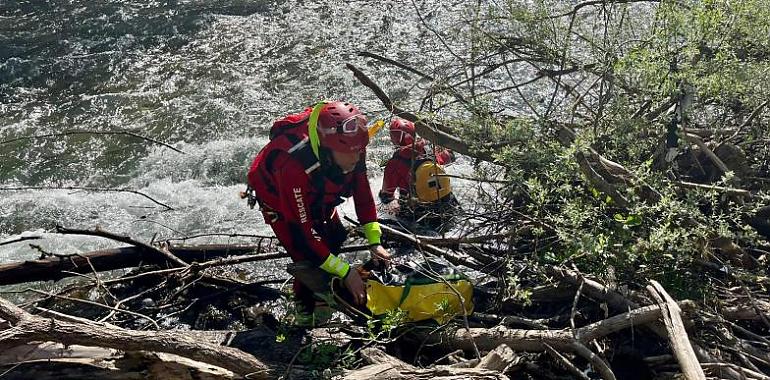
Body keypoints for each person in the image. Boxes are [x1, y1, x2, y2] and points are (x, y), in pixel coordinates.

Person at [246, 100, 391, 319]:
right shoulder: (292, 164)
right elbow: (305, 235)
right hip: (282, 203)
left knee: (334, 238)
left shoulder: (353, 147)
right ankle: (304, 315)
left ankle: (327, 301)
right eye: (350, 153)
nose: (356, 157)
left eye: (359, 151)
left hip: (316, 193)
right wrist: (346, 271)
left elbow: (363, 196)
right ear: (327, 149)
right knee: (307, 259)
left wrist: (375, 242)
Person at [378, 118, 459, 232]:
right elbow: (450, 156)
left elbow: (387, 195)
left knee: (383, 206)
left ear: (394, 139)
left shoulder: (394, 164)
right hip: (448, 207)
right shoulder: (430, 152)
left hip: (420, 215)